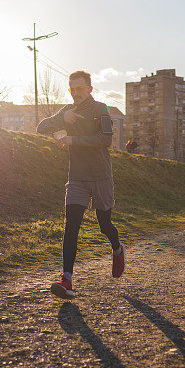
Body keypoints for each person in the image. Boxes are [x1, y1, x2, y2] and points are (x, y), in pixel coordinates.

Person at [37, 70, 125, 300]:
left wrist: (74, 139)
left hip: (100, 176)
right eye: (71, 89)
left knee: (104, 225)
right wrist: (61, 119)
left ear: (90, 89)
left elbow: (105, 140)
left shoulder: (101, 109)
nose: (75, 93)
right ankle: (66, 280)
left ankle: (117, 248)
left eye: (79, 88)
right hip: (77, 177)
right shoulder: (68, 111)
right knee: (71, 226)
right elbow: (41, 128)